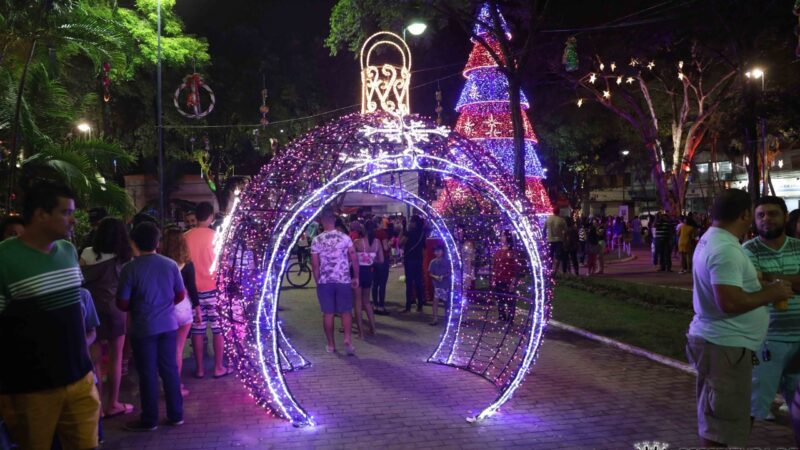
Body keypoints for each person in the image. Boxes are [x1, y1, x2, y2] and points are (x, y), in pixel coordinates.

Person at [686, 189, 793, 447]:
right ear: (746, 214)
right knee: (721, 426)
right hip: (725, 348)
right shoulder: (726, 249)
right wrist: (772, 292)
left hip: (724, 347)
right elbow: (729, 302)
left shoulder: (715, 240)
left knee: (720, 420)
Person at [0, 183, 100, 449]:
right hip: (32, 389)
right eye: (65, 212)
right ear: (41, 214)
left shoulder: (67, 252)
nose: (73, 220)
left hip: (79, 380)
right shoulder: (5, 259)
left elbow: (74, 311)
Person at [117, 222, 186, 431]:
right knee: (170, 370)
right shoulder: (170, 264)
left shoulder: (130, 268)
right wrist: (164, 305)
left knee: (147, 374)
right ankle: (176, 415)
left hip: (143, 327)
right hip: (168, 325)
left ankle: (150, 419)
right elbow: (180, 294)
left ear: (134, 242)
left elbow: (122, 303)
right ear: (157, 242)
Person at [742, 197, 800, 424]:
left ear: (785, 216)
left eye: (773, 214)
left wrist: (769, 277)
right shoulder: (748, 250)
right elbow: (754, 286)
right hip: (768, 339)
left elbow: (764, 282)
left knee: (796, 402)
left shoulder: (798, 247)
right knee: (757, 406)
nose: (767, 219)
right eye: (761, 215)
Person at [80, 217, 134, 418]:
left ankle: (98, 407)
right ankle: (113, 404)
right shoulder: (124, 256)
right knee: (115, 358)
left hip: (92, 311)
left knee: (94, 359)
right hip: (116, 310)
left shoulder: (86, 254)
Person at [185, 202, 230, 379]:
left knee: (197, 330)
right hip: (214, 289)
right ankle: (218, 367)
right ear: (210, 216)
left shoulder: (185, 237)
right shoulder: (216, 236)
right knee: (218, 329)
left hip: (193, 292)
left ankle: (200, 369)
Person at [311, 209, 358, 355]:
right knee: (346, 311)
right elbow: (354, 257)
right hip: (343, 279)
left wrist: (318, 280)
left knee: (328, 313)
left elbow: (315, 265)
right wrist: (356, 276)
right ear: (334, 220)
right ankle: (347, 339)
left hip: (325, 281)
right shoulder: (345, 238)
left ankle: (331, 345)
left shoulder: (317, 240)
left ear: (322, 221)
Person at [161, 227, 200, 396]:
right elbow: (192, 288)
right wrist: (197, 309)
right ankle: (175, 388)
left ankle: (167, 386)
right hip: (183, 308)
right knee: (178, 349)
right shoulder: (188, 264)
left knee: (165, 350)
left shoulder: (161, 263)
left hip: (165, 309)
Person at [352, 221, 381, 337]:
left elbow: (351, 258)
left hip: (358, 273)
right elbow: (381, 260)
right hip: (369, 272)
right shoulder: (377, 243)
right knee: (367, 302)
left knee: (358, 303)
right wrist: (370, 259)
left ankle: (361, 332)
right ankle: (373, 328)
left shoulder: (357, 242)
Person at [493, 231, 520, 322]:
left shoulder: (511, 252)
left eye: (503, 236)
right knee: (500, 299)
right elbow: (495, 266)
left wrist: (513, 281)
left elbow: (515, 268)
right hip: (498, 279)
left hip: (508, 279)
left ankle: (510, 319)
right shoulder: (498, 251)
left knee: (510, 300)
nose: (501, 237)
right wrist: (494, 278)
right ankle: (502, 317)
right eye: (501, 236)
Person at [401, 215, 426, 313]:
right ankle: (420, 305)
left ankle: (408, 307)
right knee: (418, 282)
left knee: (409, 283)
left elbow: (401, 243)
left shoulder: (409, 233)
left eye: (411, 221)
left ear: (414, 223)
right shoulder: (422, 233)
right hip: (418, 259)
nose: (410, 223)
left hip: (409, 260)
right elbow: (424, 247)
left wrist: (404, 230)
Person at [372, 221, 392, 314]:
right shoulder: (382, 233)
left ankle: (375, 305)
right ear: (379, 223)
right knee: (382, 284)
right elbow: (385, 248)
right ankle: (381, 306)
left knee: (375, 284)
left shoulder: (371, 233)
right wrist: (390, 243)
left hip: (373, 260)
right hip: (382, 260)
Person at [428, 244, 451, 325]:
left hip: (445, 285)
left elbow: (449, 272)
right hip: (437, 285)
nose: (437, 252)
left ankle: (447, 318)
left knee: (446, 302)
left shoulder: (447, 261)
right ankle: (435, 319)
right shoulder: (433, 262)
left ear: (442, 252)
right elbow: (430, 273)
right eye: (436, 251)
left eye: (439, 251)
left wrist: (443, 276)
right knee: (435, 302)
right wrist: (436, 277)